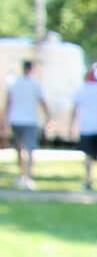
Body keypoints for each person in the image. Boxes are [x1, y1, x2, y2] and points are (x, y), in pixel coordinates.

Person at [5, 60, 50, 190]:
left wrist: (5, 119)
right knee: (29, 149)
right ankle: (28, 176)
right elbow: (42, 102)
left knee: (19, 149)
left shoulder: (13, 83)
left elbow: (8, 103)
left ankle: (22, 174)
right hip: (30, 120)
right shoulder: (35, 85)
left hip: (15, 119)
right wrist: (48, 116)